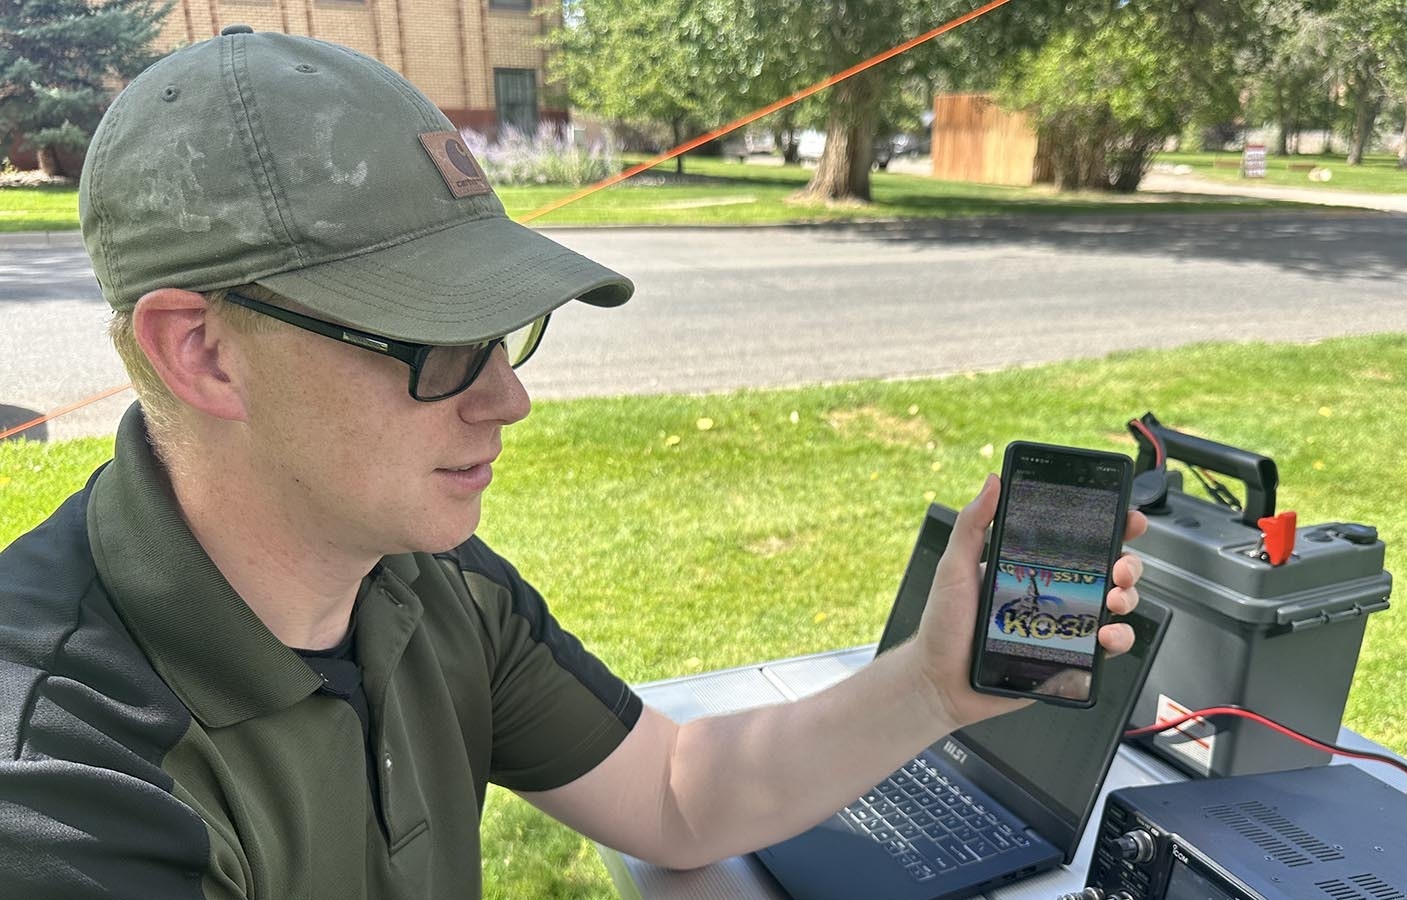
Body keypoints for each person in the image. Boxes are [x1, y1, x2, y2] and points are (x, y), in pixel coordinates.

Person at [0, 27, 1145, 899]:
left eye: (500, 338)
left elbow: (674, 793)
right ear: (202, 353)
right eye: (438, 345)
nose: (510, 397)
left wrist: (934, 684)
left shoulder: (424, 586)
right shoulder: (64, 791)